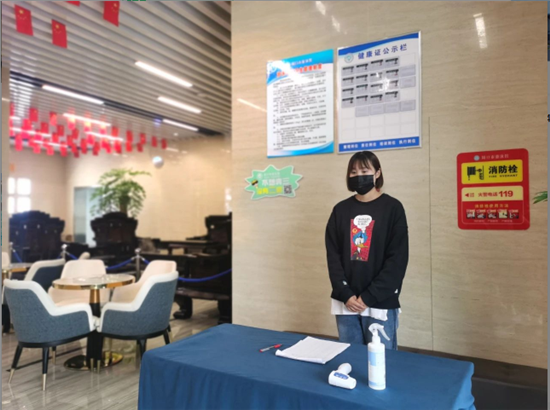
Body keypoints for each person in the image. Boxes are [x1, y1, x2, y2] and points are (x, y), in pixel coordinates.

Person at [325, 151, 409, 350]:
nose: (358, 176)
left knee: (381, 361)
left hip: (380, 300)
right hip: (347, 302)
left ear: (377, 173)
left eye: (364, 171)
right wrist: (346, 293)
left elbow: (397, 259)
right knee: (351, 358)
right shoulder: (340, 210)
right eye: (353, 172)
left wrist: (369, 297)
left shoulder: (393, 208)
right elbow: (333, 255)